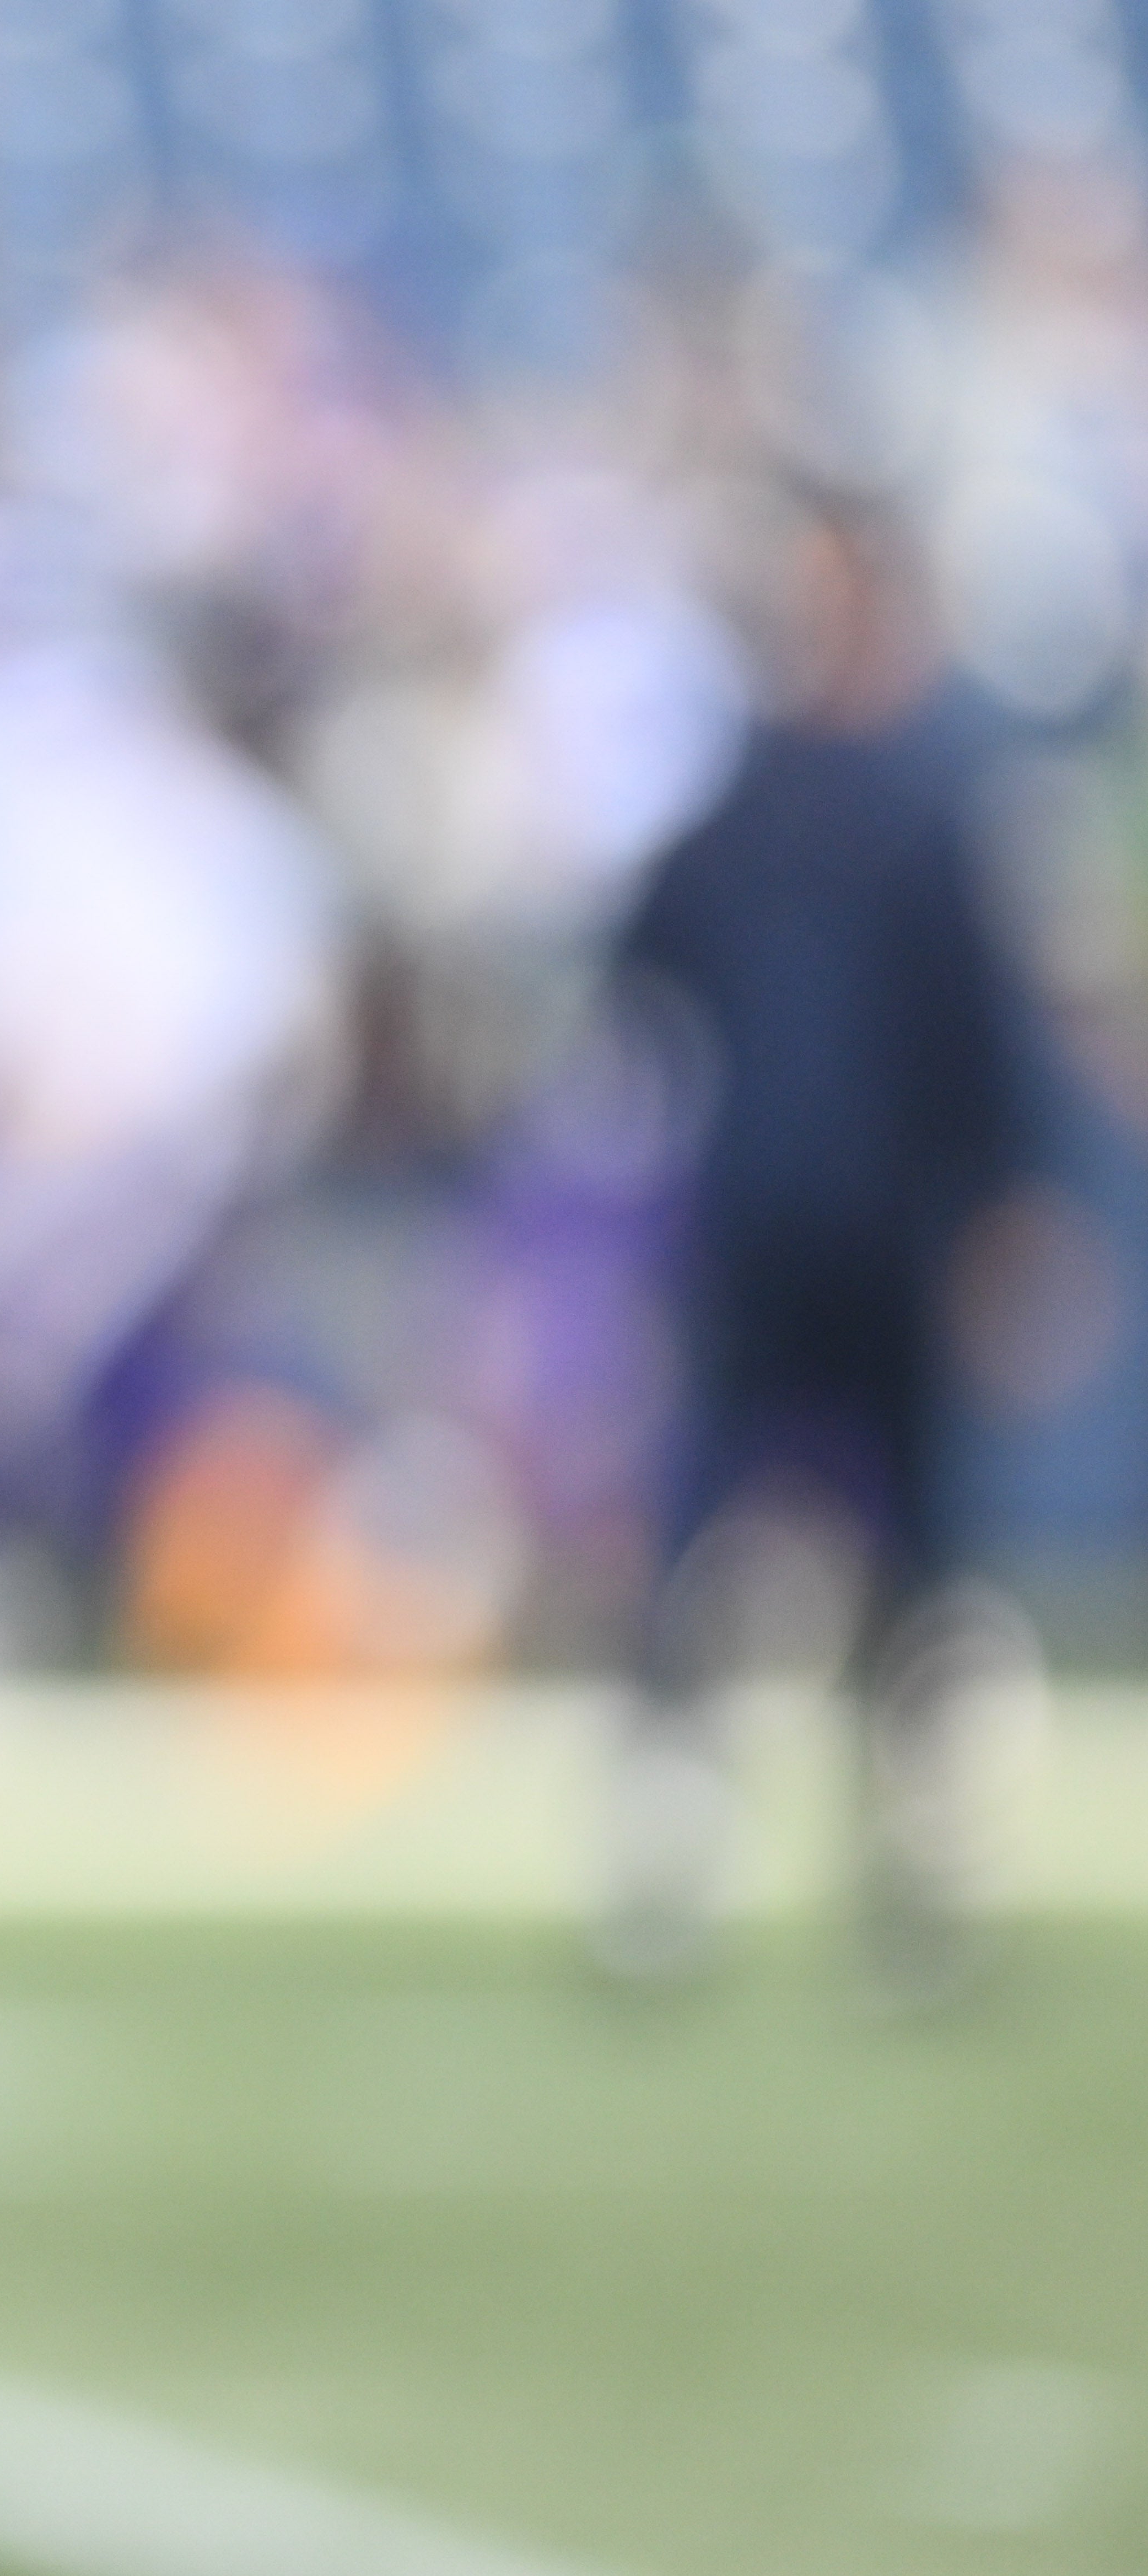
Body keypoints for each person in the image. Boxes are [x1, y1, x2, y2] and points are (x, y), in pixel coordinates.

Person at [601, 490, 1044, 1997]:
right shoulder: (778, 810)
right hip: (779, 1233)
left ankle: (889, 1878)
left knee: (894, 1571)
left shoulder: (880, 812)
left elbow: (971, 1052)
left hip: (844, 1236)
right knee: (726, 1558)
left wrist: (993, 1223)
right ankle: (683, 1861)